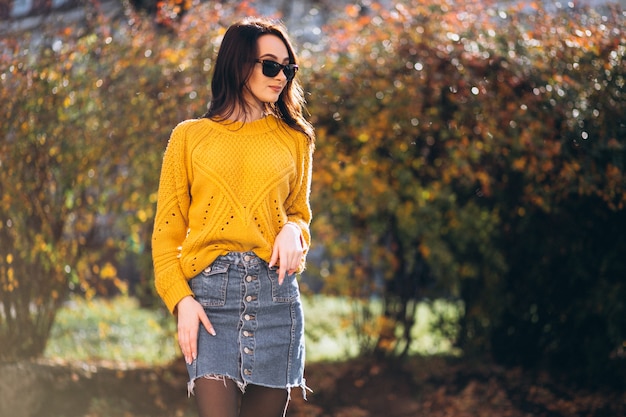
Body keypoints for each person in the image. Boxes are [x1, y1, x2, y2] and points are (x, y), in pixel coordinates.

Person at [151, 17, 314, 417]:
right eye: (270, 65)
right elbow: (165, 237)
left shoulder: (296, 139)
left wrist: (294, 231)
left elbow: (299, 214)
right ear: (239, 64)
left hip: (277, 298)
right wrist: (181, 300)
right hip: (209, 302)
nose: (281, 77)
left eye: (288, 68)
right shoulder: (189, 138)